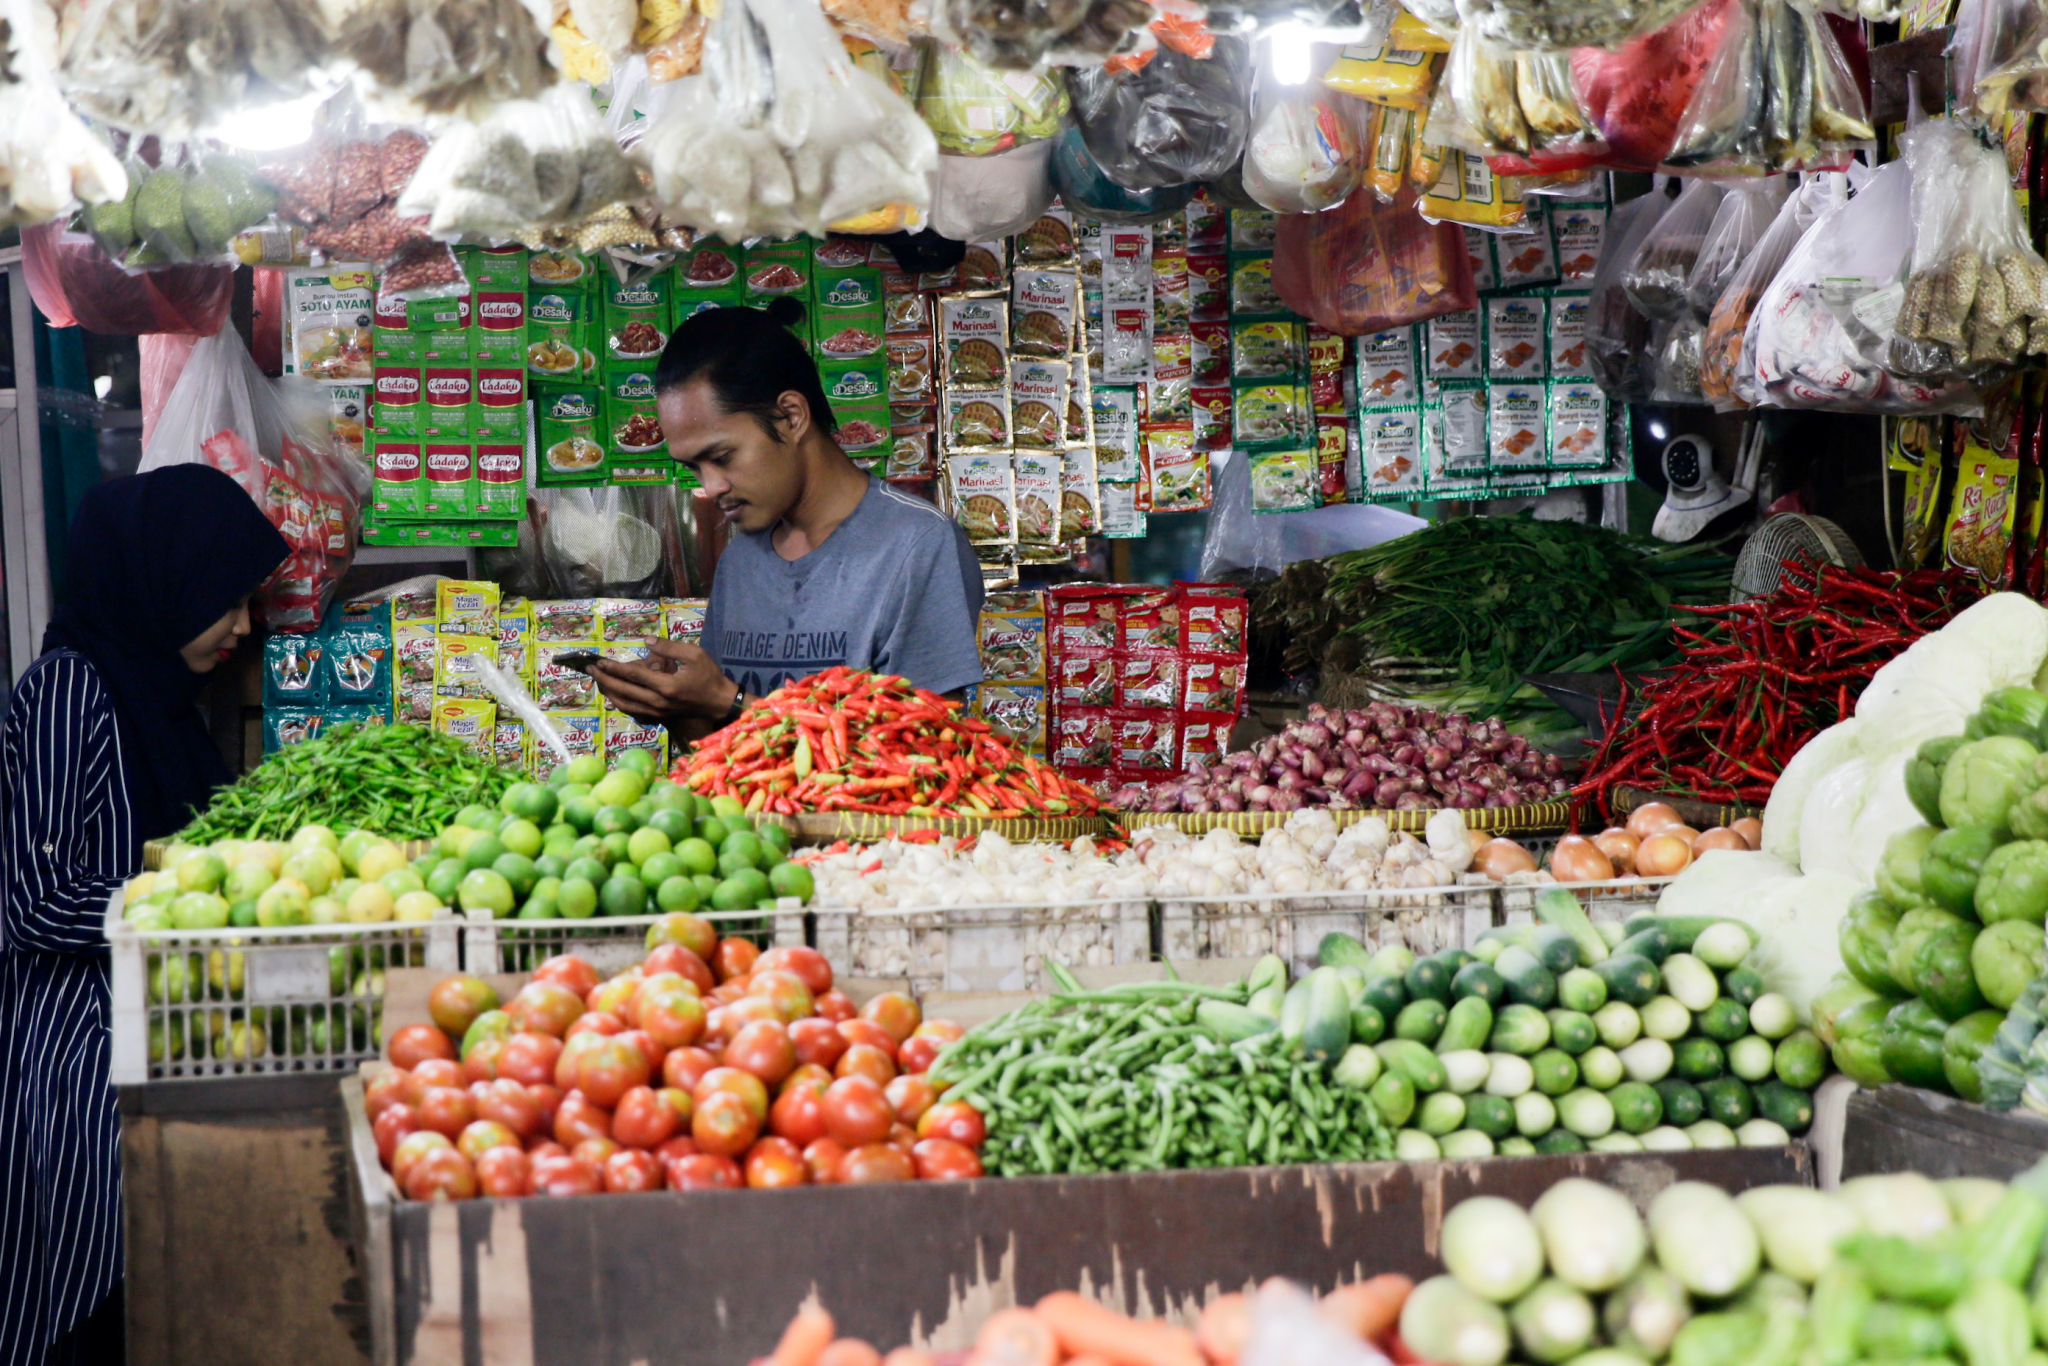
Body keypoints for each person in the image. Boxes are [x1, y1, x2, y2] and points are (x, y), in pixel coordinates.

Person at [0, 465, 289, 1366]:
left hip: (147, 1033)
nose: (244, 626)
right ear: (165, 582)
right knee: (88, 1300)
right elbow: (32, 899)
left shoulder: (162, 700)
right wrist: (192, 900)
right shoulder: (69, 691)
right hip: (81, 1059)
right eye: (228, 600)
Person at [591, 299, 984, 739]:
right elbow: (727, 741)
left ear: (791, 416)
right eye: (694, 469)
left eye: (721, 457)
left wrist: (729, 699)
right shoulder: (743, 555)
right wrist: (676, 705)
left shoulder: (917, 543)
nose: (711, 486)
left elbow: (929, 751)